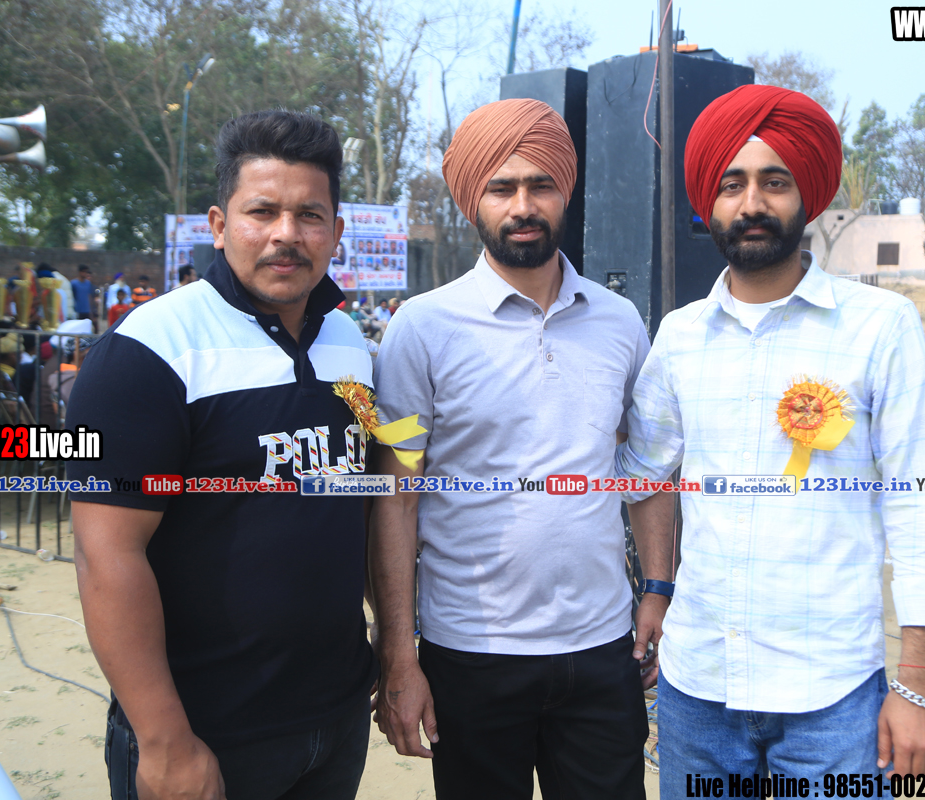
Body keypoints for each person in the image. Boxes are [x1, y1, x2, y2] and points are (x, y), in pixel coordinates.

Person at [614, 84, 925, 796]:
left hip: (833, 695)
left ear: (808, 196)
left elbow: (918, 500)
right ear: (708, 203)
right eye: (732, 184)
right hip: (697, 687)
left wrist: (920, 682)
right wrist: (657, 588)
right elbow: (644, 473)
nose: (752, 203)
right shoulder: (679, 337)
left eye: (775, 182)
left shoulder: (880, 325)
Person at [66, 109, 378, 800]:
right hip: (205, 732)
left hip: (335, 719)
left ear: (336, 232)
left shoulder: (351, 344)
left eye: (309, 215)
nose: (286, 234)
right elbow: (105, 553)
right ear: (218, 224)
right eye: (261, 211)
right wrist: (164, 739)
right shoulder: (149, 349)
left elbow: (366, 499)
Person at [371, 97, 653, 800]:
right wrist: (398, 657)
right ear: (474, 199)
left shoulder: (620, 322)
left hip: (602, 648)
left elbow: (646, 469)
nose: (523, 206)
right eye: (502, 188)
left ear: (566, 192)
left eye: (540, 185)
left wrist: (658, 590)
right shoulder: (420, 329)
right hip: (470, 653)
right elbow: (396, 498)